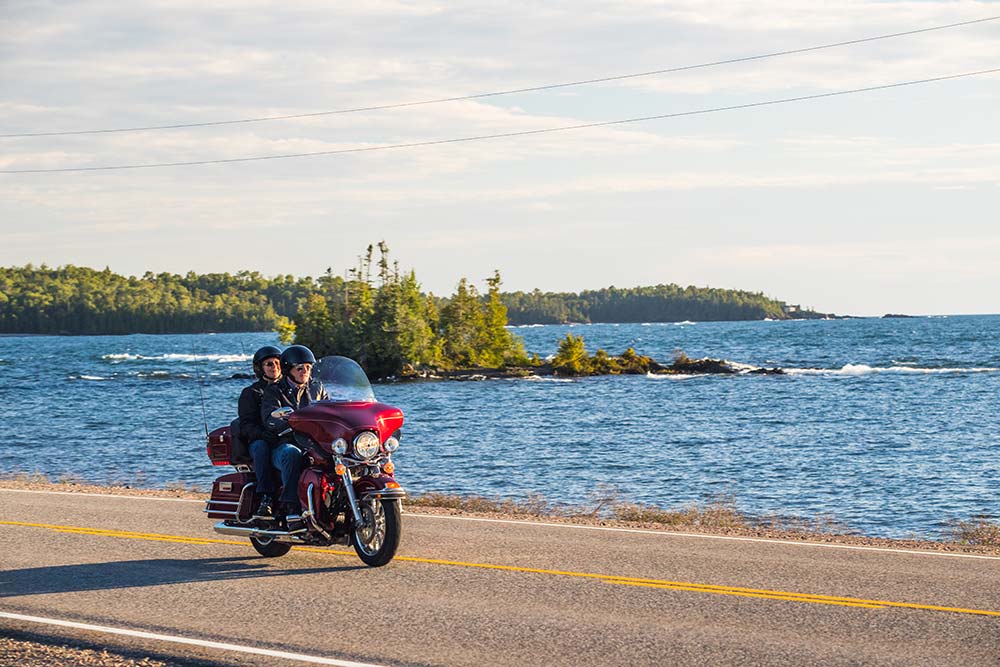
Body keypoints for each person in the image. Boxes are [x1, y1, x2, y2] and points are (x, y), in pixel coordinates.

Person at [260, 344, 329, 520]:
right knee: (292, 454)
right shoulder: (274, 391)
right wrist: (287, 422)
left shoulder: (316, 388)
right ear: (288, 369)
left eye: (308, 368)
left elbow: (331, 409)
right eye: (300, 368)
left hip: (313, 443)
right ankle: (291, 508)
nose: (305, 372)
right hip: (283, 444)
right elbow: (270, 419)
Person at [238, 346, 283, 520]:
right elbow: (246, 424)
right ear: (260, 368)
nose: (275, 367)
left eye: (278, 363)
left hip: (284, 437)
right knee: (261, 447)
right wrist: (263, 434)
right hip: (260, 439)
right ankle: (266, 497)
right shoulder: (251, 392)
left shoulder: (289, 389)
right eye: (269, 364)